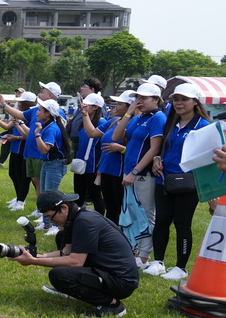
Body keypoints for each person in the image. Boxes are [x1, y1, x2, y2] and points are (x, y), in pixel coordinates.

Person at [8, 190, 138, 317]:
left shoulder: (85, 221)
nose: (50, 221)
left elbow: (75, 262)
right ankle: (74, 288)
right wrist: (34, 255)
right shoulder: (76, 217)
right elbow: (65, 253)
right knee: (61, 236)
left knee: (59, 275)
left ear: (64, 208)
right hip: (108, 272)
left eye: (49, 216)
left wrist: (33, 261)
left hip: (121, 281)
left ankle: (113, 306)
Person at [145, 83, 212, 280]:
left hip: (188, 183)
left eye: (184, 99)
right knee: (161, 221)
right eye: (176, 99)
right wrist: (157, 158)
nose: (179, 103)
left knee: (182, 224)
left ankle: (180, 268)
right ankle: (158, 262)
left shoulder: (204, 126)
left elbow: (210, 159)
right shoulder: (171, 123)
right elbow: (164, 148)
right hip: (164, 180)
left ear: (195, 102)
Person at [111, 82, 166, 267]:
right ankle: (134, 251)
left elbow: (154, 148)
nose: (139, 101)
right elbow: (116, 137)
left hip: (143, 173)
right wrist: (128, 113)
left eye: (144, 98)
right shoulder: (138, 117)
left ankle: (144, 256)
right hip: (129, 172)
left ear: (156, 99)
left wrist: (135, 171)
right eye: (137, 98)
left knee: (145, 213)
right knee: (132, 212)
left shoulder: (158, 117)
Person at [90, 91, 133, 226]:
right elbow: (92, 133)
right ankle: (110, 233)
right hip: (106, 170)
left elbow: (138, 151)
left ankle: (123, 234)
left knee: (120, 207)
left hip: (120, 172)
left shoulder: (133, 124)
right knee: (110, 207)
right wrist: (85, 115)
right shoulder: (114, 121)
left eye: (120, 104)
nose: (116, 107)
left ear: (130, 107)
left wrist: (121, 149)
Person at [32, 99, 71, 236]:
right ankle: (46, 224)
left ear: (48, 113)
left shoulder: (52, 128)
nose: (37, 112)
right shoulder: (48, 126)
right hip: (48, 164)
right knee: (44, 195)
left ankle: (56, 226)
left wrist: (37, 134)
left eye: (40, 110)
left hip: (54, 165)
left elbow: (44, 150)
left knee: (51, 197)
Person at [0, 92, 37, 211]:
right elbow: (7, 126)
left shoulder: (29, 116)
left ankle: (21, 201)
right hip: (15, 148)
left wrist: (16, 136)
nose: (18, 104)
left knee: (23, 177)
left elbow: (29, 135)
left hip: (23, 149)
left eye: (21, 102)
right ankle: (18, 197)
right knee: (13, 174)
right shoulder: (20, 114)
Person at [71, 93, 107, 216]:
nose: (83, 107)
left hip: (93, 165)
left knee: (95, 195)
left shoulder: (102, 123)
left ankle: (99, 219)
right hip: (81, 164)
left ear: (96, 107)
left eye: (87, 105)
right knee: (78, 195)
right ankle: (76, 219)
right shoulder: (84, 121)